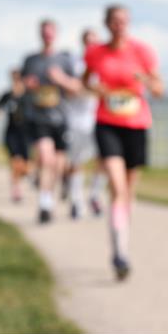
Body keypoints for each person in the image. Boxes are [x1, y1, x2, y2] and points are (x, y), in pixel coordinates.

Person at [84, 5, 163, 278]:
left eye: (124, 21)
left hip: (136, 124)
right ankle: (119, 252)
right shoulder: (95, 52)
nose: (119, 25)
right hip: (107, 124)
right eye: (114, 21)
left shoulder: (142, 51)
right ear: (106, 23)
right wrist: (96, 88)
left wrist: (147, 81)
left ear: (128, 23)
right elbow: (86, 81)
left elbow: (159, 88)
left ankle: (123, 242)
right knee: (117, 188)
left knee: (128, 192)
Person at [20, 18, 82, 223]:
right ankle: (45, 204)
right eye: (44, 32)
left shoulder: (64, 60)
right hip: (38, 118)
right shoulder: (30, 60)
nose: (47, 35)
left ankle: (57, 188)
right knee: (46, 158)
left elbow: (76, 88)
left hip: (61, 118)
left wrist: (60, 80)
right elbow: (20, 86)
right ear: (40, 34)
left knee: (57, 164)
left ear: (56, 34)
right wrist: (27, 84)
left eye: (50, 32)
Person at [63, 29, 102, 220]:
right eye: (88, 42)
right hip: (77, 120)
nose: (91, 46)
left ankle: (95, 196)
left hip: (99, 118)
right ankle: (76, 200)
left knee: (102, 159)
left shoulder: (103, 63)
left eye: (95, 42)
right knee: (76, 162)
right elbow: (70, 90)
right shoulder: (75, 64)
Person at [0, 70, 29, 203]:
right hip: (12, 132)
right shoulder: (8, 95)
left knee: (25, 165)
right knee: (15, 161)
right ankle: (16, 189)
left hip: (26, 134)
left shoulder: (28, 96)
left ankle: (24, 177)